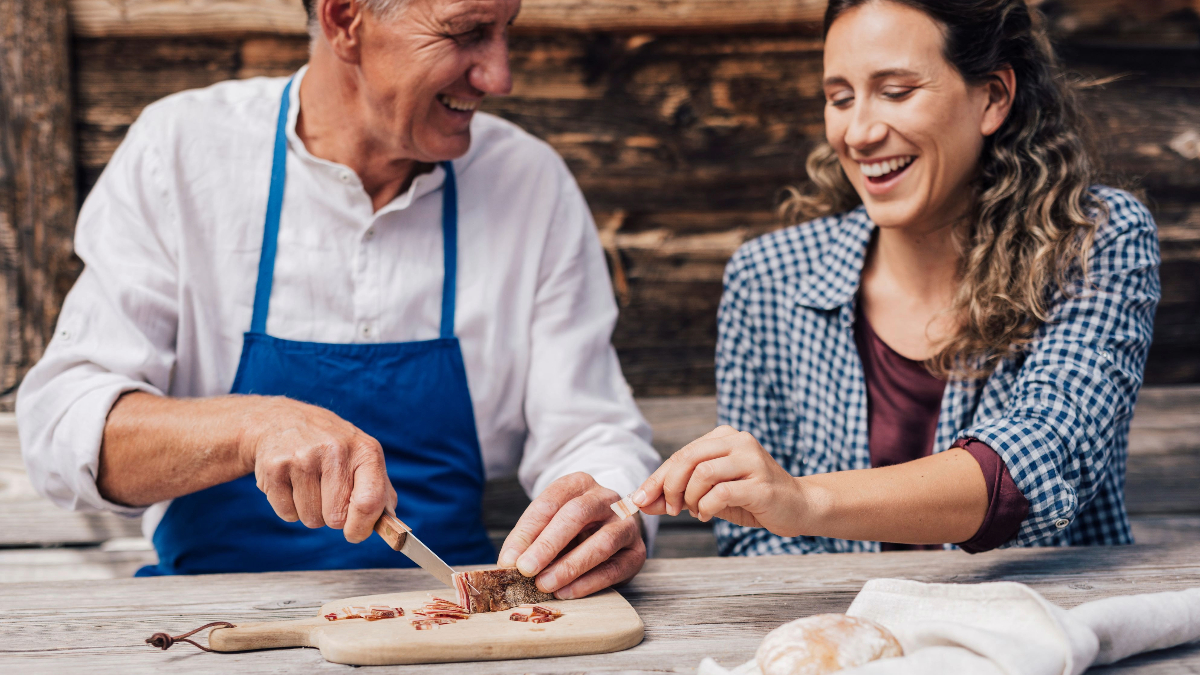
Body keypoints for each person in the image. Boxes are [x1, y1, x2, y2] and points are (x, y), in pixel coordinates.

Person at [17, 0, 658, 599]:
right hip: (207, 617)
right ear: (344, 18)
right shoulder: (182, 153)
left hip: (445, 624)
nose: (498, 75)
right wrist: (253, 427)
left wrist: (606, 505)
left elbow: (590, 427)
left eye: (505, 29)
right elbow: (65, 430)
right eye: (466, 33)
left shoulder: (529, 184)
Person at [631, 0, 1160, 554]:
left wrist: (803, 502)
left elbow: (1039, 465)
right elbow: (752, 538)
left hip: (1046, 626)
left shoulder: (1093, 240)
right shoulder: (767, 278)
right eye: (840, 98)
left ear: (993, 97)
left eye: (897, 91)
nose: (857, 133)